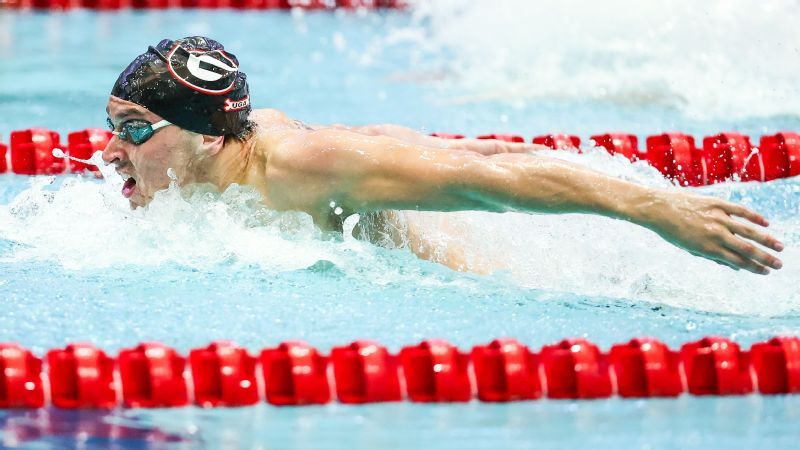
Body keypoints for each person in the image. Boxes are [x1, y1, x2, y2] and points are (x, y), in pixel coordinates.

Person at [102, 36, 784, 275]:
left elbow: (485, 184)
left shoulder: (295, 169)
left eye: (132, 131)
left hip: (478, 270)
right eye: (111, 127)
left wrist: (655, 207)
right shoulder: (227, 158)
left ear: (206, 134)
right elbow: (390, 138)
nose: (109, 153)